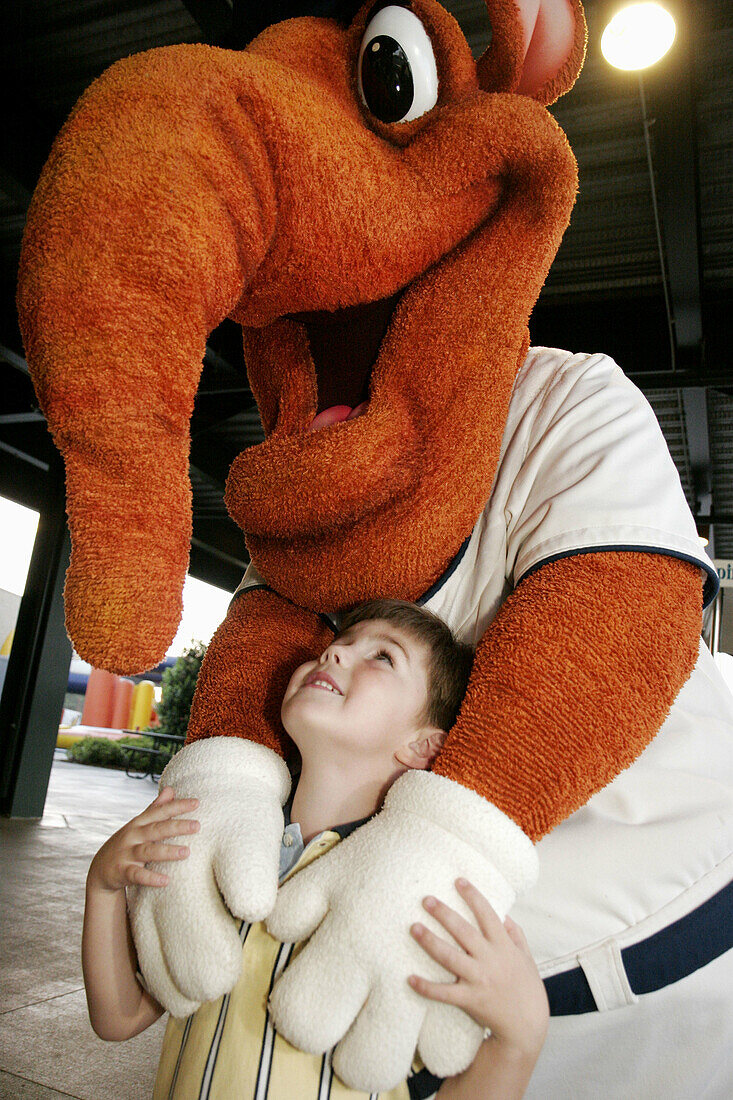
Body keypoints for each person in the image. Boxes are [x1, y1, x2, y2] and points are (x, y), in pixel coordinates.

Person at [82, 599, 549, 1099]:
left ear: (423, 746)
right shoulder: (224, 846)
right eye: (337, 644)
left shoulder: (418, 903)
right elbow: (121, 1016)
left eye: (383, 657)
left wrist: (519, 1038)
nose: (335, 656)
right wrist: (103, 884)